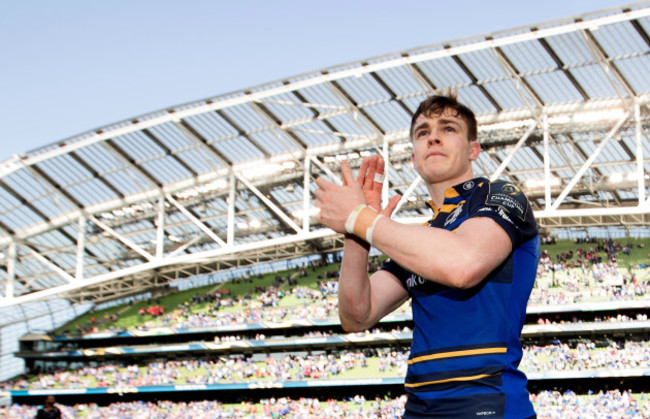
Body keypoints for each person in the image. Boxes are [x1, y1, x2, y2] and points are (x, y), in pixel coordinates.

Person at [315, 94, 539, 418]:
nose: (432, 136)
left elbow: (463, 265)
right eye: (422, 133)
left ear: (473, 149)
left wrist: (361, 219)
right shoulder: (421, 237)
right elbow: (356, 316)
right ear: (414, 159)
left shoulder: (502, 195)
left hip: (488, 405)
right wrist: (356, 235)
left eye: (448, 129)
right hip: (418, 408)